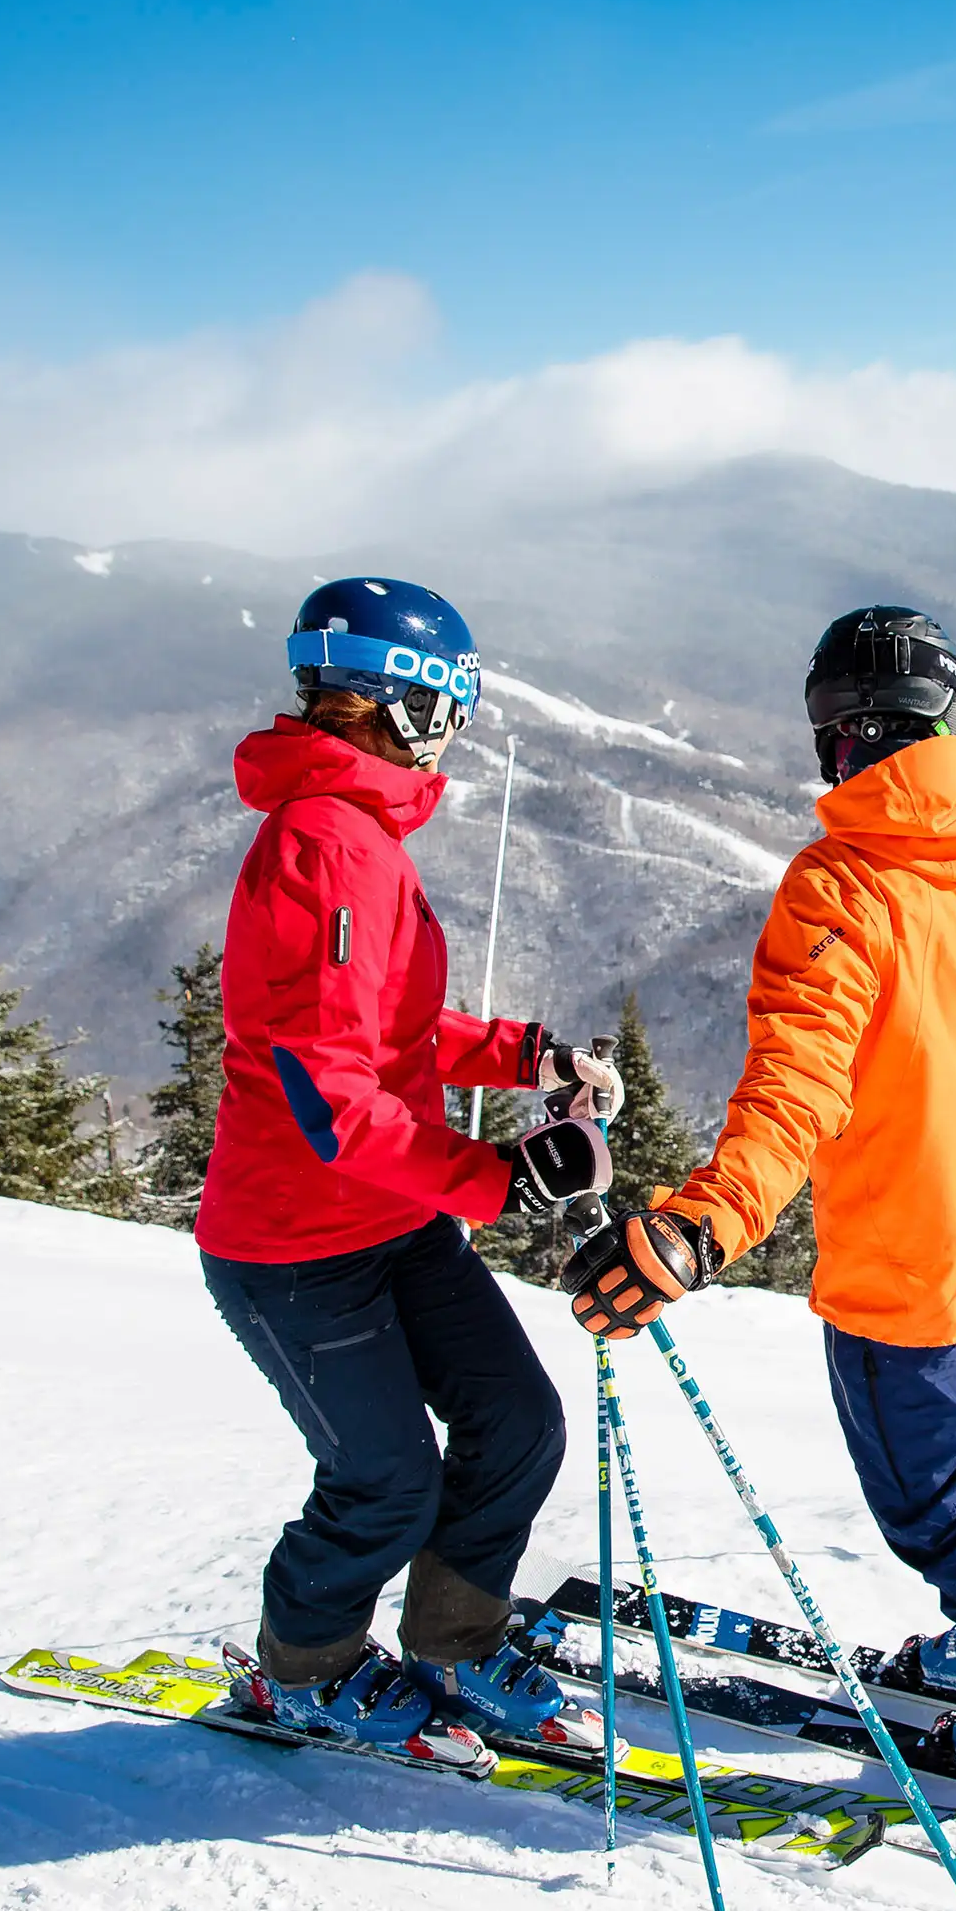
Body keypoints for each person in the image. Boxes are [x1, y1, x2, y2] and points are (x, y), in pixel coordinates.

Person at [560, 606, 956, 1802]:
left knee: (944, 1510)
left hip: (902, 1271)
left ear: (839, 741)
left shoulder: (843, 886)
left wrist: (701, 1221)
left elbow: (797, 1086)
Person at [197, 575, 621, 1762]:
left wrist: (523, 1056)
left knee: (517, 1417)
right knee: (383, 1477)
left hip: (384, 1217)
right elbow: (328, 1099)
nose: (457, 729)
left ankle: (454, 1638)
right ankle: (307, 1669)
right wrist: (501, 1178)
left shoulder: (357, 832)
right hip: (295, 1246)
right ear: (413, 704)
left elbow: (389, 1027)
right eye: (454, 705)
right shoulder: (326, 846)